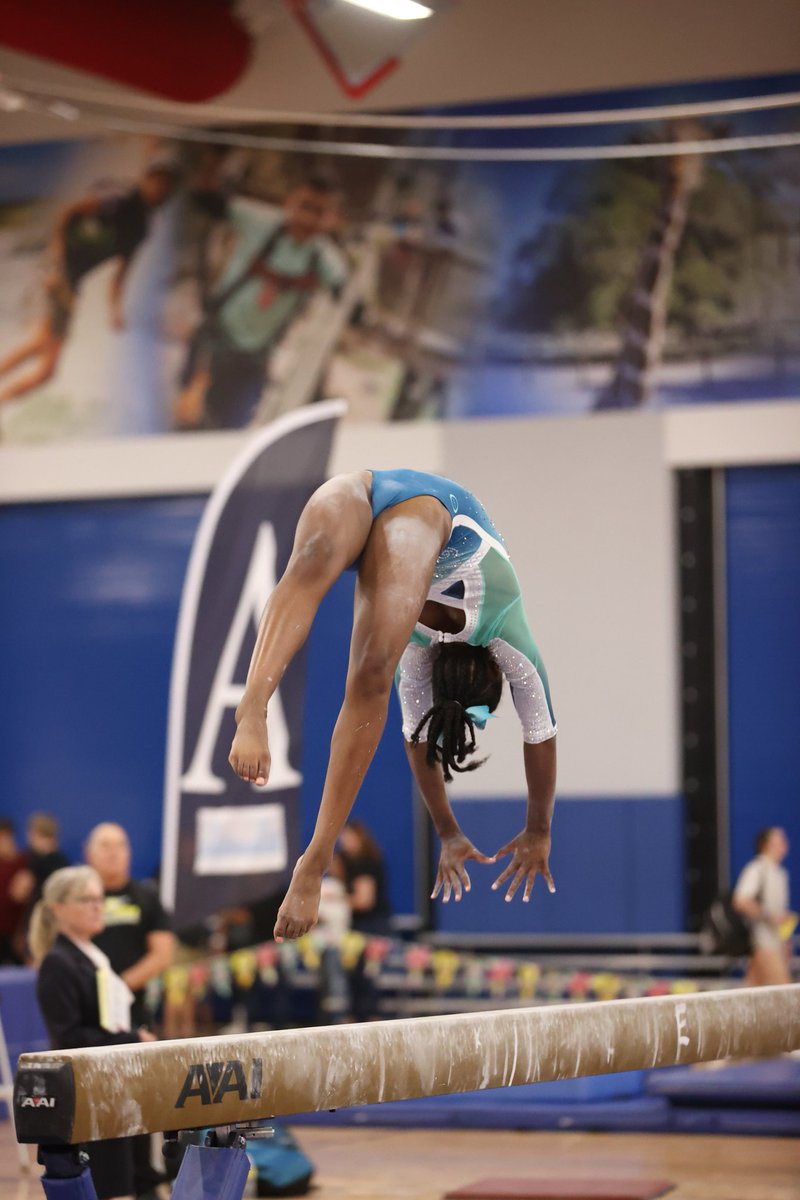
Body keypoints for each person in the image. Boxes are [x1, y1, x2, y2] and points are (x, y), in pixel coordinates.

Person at [229, 468, 557, 942]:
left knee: (311, 563)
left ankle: (254, 706)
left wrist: (458, 832)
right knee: (370, 676)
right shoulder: (500, 627)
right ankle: (315, 861)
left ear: (491, 676)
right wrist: (536, 831)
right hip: (435, 514)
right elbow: (533, 735)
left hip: (358, 488)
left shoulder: (425, 652)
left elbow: (526, 734)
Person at [0, 156, 179, 405]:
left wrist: (114, 308)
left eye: (165, 187)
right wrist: (56, 253)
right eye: (156, 182)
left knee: (45, 364)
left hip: (71, 283)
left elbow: (122, 270)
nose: (159, 190)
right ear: (146, 181)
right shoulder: (119, 202)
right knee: (43, 351)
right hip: (56, 272)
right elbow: (69, 212)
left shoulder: (141, 227)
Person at [174, 175, 347, 430]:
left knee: (230, 431)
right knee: (186, 420)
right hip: (216, 341)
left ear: (331, 218)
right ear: (290, 203)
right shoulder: (259, 221)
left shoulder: (323, 257)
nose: (309, 219)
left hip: (255, 356)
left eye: (320, 212)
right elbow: (207, 200)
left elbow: (342, 288)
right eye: (305, 207)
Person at [29, 866, 156, 1200]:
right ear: (58, 908)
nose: (98, 906)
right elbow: (69, 1038)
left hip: (117, 1086)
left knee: (136, 1184)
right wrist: (133, 1040)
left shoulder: (94, 957)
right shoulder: (58, 963)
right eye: (87, 900)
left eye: (100, 899)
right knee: (113, 1191)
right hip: (89, 1095)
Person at [85, 823, 176, 1200]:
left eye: (120, 844)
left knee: (137, 1098)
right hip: (84, 1016)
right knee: (92, 1102)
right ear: (90, 854)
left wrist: (118, 989)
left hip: (131, 1016)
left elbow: (163, 953)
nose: (113, 852)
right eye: (105, 845)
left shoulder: (145, 897)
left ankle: (143, 1179)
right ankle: (91, 1177)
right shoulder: (77, 898)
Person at [733, 826, 794, 986]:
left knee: (751, 995)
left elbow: (779, 917)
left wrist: (784, 942)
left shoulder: (780, 873)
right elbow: (740, 901)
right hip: (763, 944)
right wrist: (769, 915)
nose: (785, 843)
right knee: (785, 998)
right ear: (767, 844)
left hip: (774, 944)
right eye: (780, 839)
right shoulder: (757, 868)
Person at [338, 820, 392, 935]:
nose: (344, 841)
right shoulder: (345, 862)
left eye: (349, 837)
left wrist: (334, 900)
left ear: (359, 838)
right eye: (343, 836)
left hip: (370, 928)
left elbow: (364, 901)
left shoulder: (365, 864)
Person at [0, 817, 30, 964]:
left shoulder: (23, 862)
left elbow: (24, 899)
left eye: (5, 837)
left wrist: (21, 932)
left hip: (15, 934)